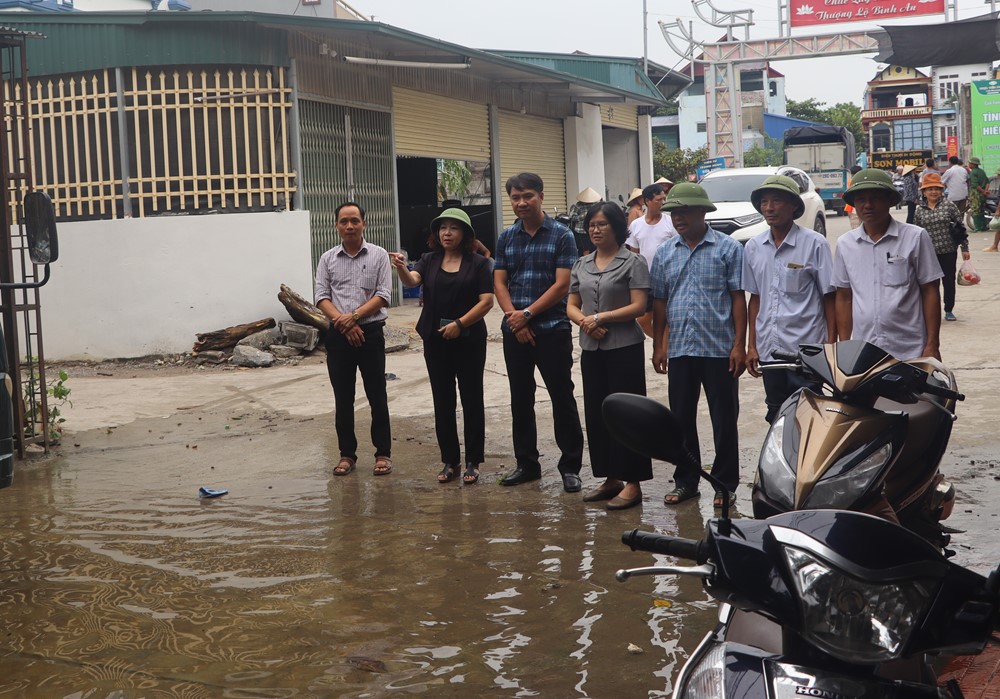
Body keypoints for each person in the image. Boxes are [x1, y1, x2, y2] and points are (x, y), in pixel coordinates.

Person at [650, 183, 746, 508]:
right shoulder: (665, 253)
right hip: (679, 350)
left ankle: (724, 484)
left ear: (703, 213)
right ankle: (686, 481)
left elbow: (738, 300)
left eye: (685, 211)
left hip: (719, 349)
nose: (678, 218)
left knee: (724, 418)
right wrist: (658, 345)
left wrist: (739, 345)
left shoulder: (728, 248)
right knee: (681, 419)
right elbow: (660, 303)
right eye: (674, 212)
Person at [493, 172, 584, 492]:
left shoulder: (561, 235)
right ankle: (527, 464)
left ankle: (571, 466)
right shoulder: (506, 237)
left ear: (541, 196)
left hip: (552, 329)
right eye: (515, 198)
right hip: (515, 330)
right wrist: (513, 318)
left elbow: (562, 285)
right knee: (520, 398)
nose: (521, 203)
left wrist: (528, 314)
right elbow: (500, 282)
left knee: (562, 397)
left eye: (527, 196)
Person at [390, 208, 494, 484]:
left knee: (472, 399)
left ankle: (473, 460)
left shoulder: (479, 264)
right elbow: (413, 280)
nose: (447, 233)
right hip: (436, 340)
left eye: (454, 228)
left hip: (469, 339)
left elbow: (486, 301)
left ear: (465, 233)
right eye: (443, 228)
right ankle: (450, 460)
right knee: (443, 400)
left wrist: (460, 324)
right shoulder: (429, 259)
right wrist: (402, 268)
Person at [567, 202, 652, 511]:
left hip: (624, 349)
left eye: (602, 224)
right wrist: (585, 322)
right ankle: (611, 477)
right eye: (592, 224)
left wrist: (600, 318)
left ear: (617, 227)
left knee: (628, 414)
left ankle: (633, 483)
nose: (596, 229)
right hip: (592, 349)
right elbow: (572, 304)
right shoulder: (582, 264)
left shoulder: (633, 262)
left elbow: (638, 306)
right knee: (599, 413)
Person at [742, 176, 836, 423]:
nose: (769, 208)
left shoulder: (814, 244)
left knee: (810, 416)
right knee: (776, 415)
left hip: (806, 351)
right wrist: (752, 346)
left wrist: (830, 347)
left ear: (794, 205)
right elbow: (755, 298)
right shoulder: (753, 247)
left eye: (777, 201)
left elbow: (829, 298)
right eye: (764, 202)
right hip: (770, 352)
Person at [315, 202, 394, 477]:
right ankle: (347, 454)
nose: (349, 226)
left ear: (364, 224)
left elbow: (384, 294)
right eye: (344, 221)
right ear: (337, 225)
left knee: (377, 395)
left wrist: (355, 318)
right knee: (343, 397)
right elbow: (321, 297)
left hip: (370, 334)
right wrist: (344, 323)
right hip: (338, 335)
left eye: (355, 221)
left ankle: (382, 453)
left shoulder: (379, 255)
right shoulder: (327, 258)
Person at [832, 169, 943, 361]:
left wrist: (932, 344)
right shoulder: (845, 244)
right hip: (863, 351)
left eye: (876, 198)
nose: (868, 205)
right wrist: (844, 347)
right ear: (854, 205)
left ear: (890, 200)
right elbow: (844, 297)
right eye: (861, 199)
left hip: (910, 349)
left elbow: (930, 290)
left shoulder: (915, 237)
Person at [914, 173, 969, 322]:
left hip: (948, 251)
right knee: (931, 284)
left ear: (941, 190)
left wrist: (965, 248)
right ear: (924, 192)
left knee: (948, 281)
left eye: (937, 189)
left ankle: (949, 309)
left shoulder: (949, 206)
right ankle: (932, 311)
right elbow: (915, 233)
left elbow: (960, 227)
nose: (933, 192)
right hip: (928, 254)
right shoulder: (919, 210)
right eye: (929, 189)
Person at [625, 183, 677, 336]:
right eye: (658, 199)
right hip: (645, 280)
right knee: (643, 319)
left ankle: (666, 350)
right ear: (647, 201)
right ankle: (660, 341)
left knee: (666, 316)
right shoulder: (636, 225)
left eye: (664, 199)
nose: (663, 202)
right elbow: (634, 254)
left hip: (667, 278)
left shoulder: (670, 223)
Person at [567, 187, 602, 257]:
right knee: (585, 251)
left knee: (595, 247)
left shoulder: (595, 205)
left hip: (593, 229)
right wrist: (583, 215)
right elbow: (572, 217)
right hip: (581, 231)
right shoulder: (578, 206)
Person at [967, 156, 989, 232]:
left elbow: (975, 185)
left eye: (970, 163)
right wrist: (985, 191)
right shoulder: (982, 171)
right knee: (981, 210)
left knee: (975, 210)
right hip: (982, 194)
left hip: (975, 193)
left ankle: (978, 227)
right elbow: (987, 182)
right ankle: (984, 226)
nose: (969, 164)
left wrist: (982, 191)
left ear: (973, 164)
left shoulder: (973, 172)